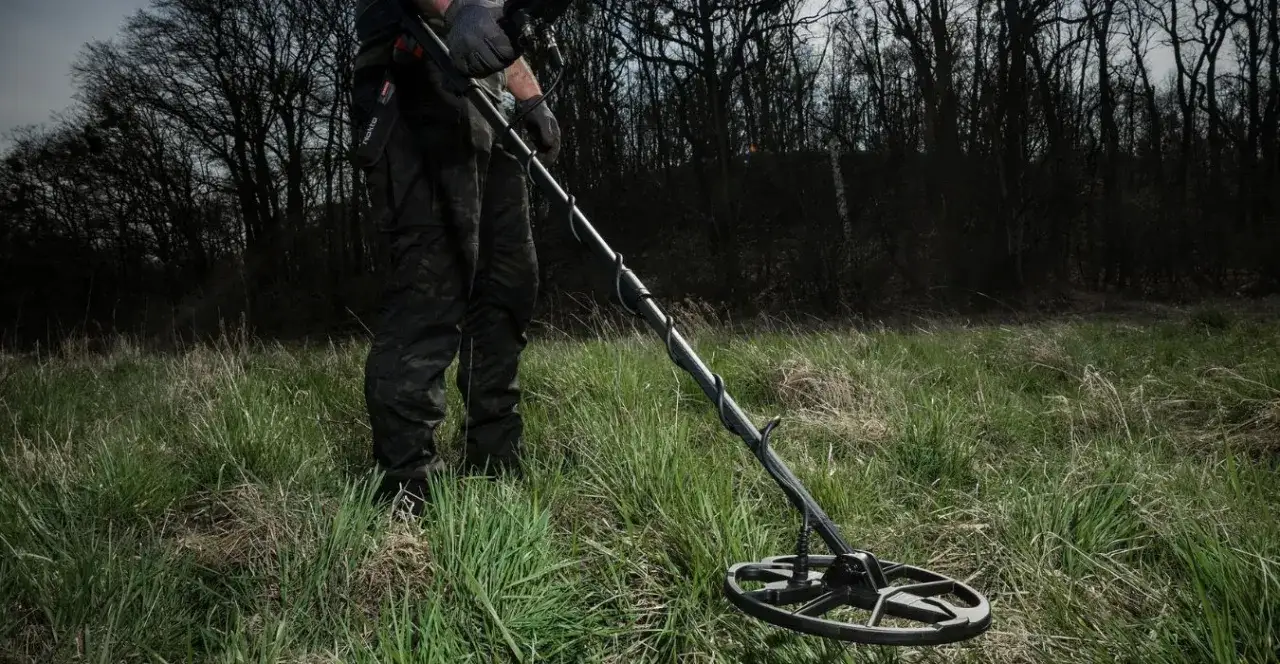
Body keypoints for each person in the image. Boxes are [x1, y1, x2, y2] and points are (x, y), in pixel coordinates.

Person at [351, 0, 559, 514]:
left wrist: (529, 95)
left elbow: (491, 23)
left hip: (482, 95)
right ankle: (408, 486)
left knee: (507, 280)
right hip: (412, 70)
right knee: (433, 282)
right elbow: (466, 10)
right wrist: (456, 7)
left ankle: (495, 458)